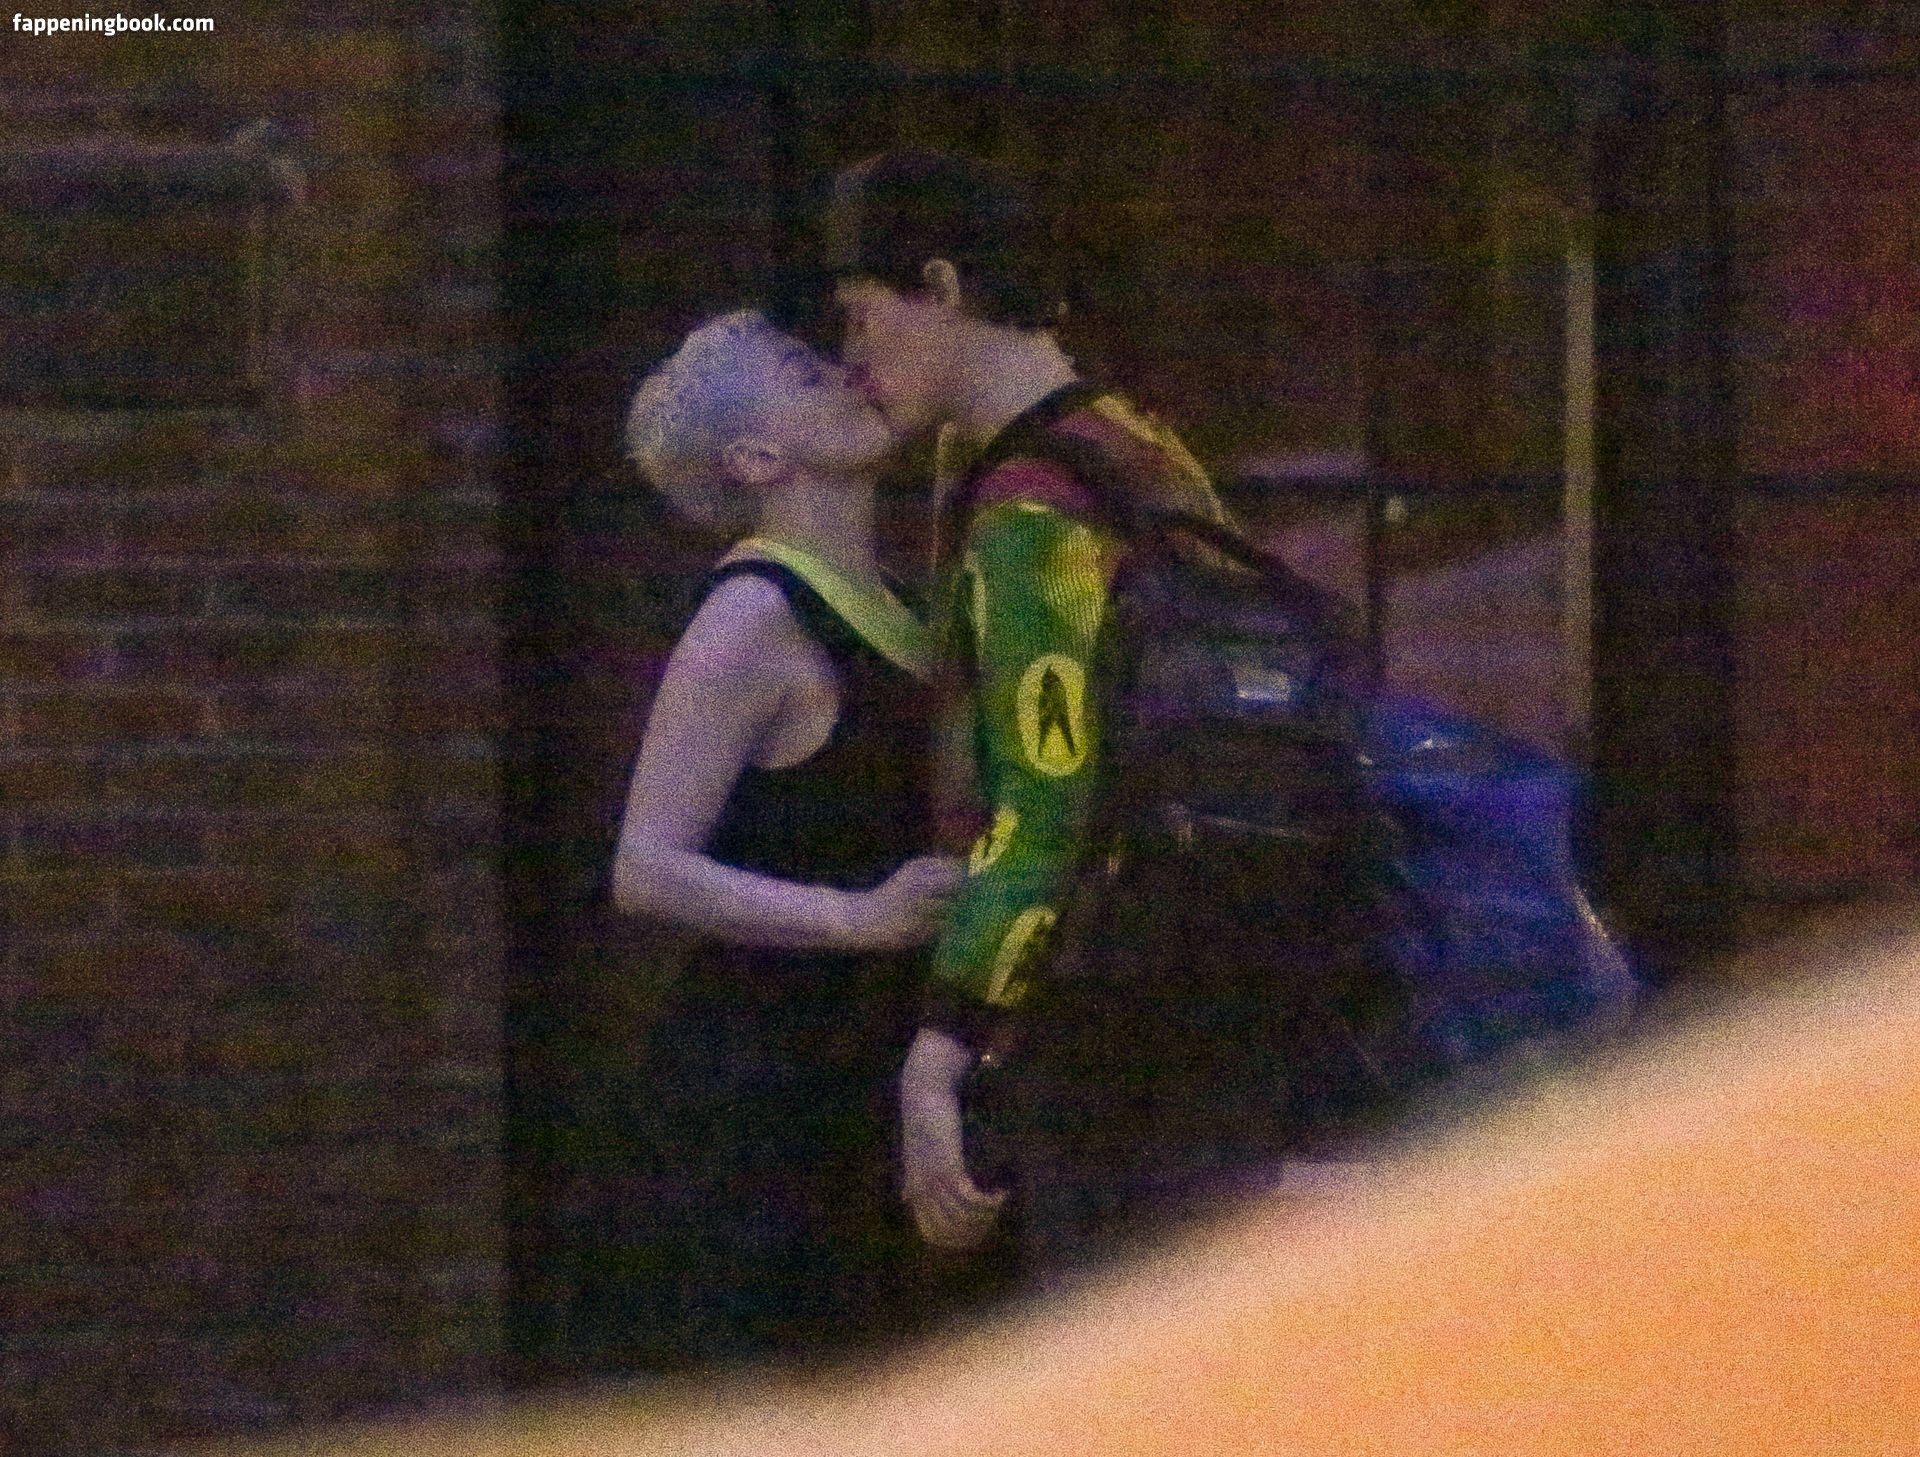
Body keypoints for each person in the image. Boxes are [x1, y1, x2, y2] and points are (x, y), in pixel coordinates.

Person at [827, 150, 1307, 1276]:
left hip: (1100, 1011)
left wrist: (940, 1048)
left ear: (941, 286)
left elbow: (1043, 803)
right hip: (1227, 965)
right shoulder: (1134, 444)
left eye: (861, 316)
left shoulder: (1029, 510)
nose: (852, 359)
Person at [607, 307, 964, 1364]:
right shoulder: (751, 617)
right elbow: (644, 868)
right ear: (756, 457)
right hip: (764, 1096)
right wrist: (857, 914)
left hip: (858, 1067)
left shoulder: (899, 599)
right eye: (808, 376)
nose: (849, 375)